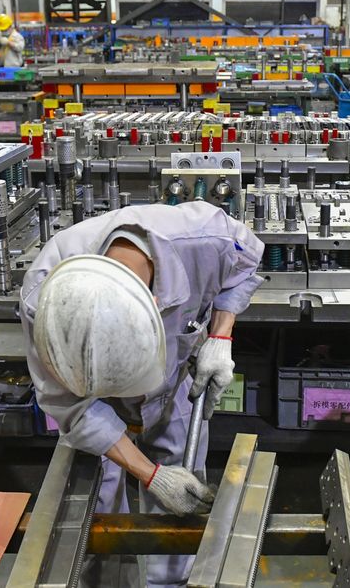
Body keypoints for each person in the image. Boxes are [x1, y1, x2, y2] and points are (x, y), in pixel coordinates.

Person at [21, 202, 263, 586]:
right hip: (93, 404)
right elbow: (73, 409)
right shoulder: (43, 301)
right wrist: (152, 476)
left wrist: (220, 336)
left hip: (173, 384)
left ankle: (171, 583)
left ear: (155, 306)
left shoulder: (208, 237)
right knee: (94, 520)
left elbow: (245, 266)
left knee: (183, 507)